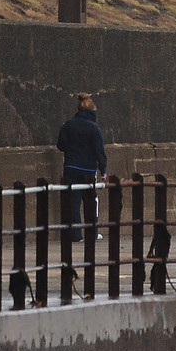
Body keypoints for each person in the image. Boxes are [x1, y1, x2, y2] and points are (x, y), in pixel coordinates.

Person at [57, 93, 107, 242]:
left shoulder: (68, 125)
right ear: (92, 111)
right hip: (89, 170)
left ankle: (75, 235)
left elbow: (60, 145)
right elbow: (99, 151)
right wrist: (103, 170)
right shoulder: (94, 128)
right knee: (91, 202)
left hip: (71, 167)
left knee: (73, 202)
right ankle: (92, 232)